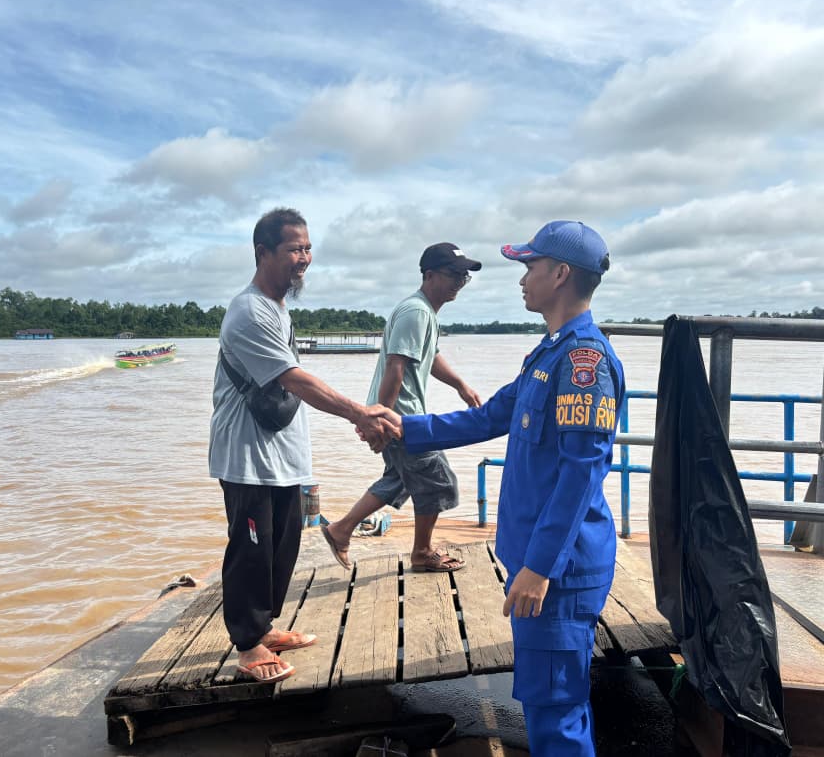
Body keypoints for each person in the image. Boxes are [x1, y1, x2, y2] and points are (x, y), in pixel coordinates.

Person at [364, 221, 624, 755]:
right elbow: (487, 418)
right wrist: (401, 426)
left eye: (529, 267)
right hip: (541, 562)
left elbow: (581, 475)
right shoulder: (550, 354)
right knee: (545, 700)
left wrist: (539, 568)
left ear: (560, 273)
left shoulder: (584, 364)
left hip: (558, 571)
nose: (522, 278)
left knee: (556, 710)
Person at [209, 207, 391, 684]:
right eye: (294, 248)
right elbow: (294, 379)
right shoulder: (248, 311)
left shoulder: (278, 309)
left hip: (282, 457)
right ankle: (248, 645)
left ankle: (264, 628)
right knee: (250, 551)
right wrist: (359, 413)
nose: (304, 258)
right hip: (247, 457)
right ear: (262, 252)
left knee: (282, 546)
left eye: (308, 248)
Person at [320, 243, 483, 573]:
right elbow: (396, 366)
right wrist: (379, 419)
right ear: (430, 275)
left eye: (463, 277)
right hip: (400, 418)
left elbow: (429, 356)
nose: (459, 282)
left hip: (400, 416)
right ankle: (421, 552)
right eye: (454, 274)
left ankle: (341, 529)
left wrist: (460, 385)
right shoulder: (416, 312)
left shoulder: (424, 312)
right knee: (439, 482)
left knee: (401, 479)